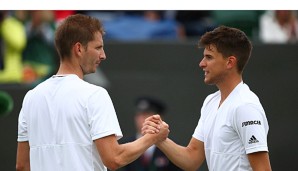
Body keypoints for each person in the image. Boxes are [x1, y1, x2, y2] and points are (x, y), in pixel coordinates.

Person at [16, 14, 169, 171]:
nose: (103, 55)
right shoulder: (94, 95)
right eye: (98, 47)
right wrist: (153, 137)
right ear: (79, 49)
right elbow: (114, 158)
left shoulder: (31, 98)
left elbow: (22, 166)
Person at [143, 26, 272, 171]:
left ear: (230, 62)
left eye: (209, 57)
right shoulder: (210, 101)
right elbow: (191, 159)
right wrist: (159, 138)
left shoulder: (245, 106)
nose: (201, 63)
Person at [119, 96, 182, 171]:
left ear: (159, 118)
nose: (142, 119)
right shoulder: (123, 145)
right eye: (139, 114)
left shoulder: (172, 148)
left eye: (147, 114)